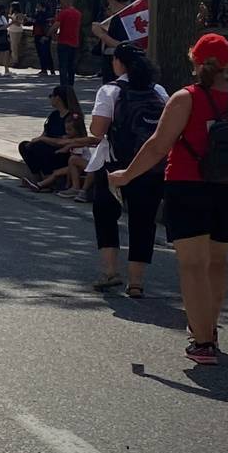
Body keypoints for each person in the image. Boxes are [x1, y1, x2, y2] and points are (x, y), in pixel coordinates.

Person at [109, 33, 228, 365]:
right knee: (217, 261)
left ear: (195, 61)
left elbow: (158, 146)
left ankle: (202, 342)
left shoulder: (185, 98)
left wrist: (127, 175)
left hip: (188, 186)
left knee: (193, 265)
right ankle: (208, 329)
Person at [81, 42, 168, 297]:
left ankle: (110, 272)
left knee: (106, 215)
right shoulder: (158, 91)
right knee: (144, 221)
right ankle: (136, 282)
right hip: (149, 165)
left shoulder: (110, 90)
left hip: (113, 164)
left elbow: (97, 131)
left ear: (119, 63)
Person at [18, 85, 87, 188]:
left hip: (65, 152)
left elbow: (66, 140)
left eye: (51, 96)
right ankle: (37, 178)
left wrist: (43, 139)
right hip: (51, 148)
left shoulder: (72, 118)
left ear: (58, 98)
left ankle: (47, 181)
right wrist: (36, 140)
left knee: (41, 147)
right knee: (26, 146)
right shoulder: (54, 115)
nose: (50, 98)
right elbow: (45, 133)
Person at [90, 0, 135, 84]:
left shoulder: (125, 17)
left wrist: (101, 34)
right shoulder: (115, 16)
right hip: (110, 63)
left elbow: (123, 45)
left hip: (118, 65)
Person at [53, 0, 82, 86]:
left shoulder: (63, 13)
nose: (60, 5)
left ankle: (63, 84)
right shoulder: (78, 13)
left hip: (63, 41)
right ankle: (70, 84)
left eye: (61, 3)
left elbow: (56, 26)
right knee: (71, 65)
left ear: (66, 2)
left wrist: (49, 33)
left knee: (63, 65)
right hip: (74, 42)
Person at [32, 6, 54, 76]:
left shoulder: (46, 15)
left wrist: (46, 36)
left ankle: (47, 69)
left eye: (39, 7)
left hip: (43, 35)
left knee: (45, 53)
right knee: (42, 53)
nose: (37, 8)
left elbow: (42, 23)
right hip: (38, 34)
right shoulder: (38, 14)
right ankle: (46, 69)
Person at [6, 4, 28, 70]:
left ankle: (15, 61)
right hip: (11, 31)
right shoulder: (13, 14)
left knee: (14, 46)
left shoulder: (19, 14)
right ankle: (13, 60)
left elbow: (19, 23)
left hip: (16, 31)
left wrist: (12, 19)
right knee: (12, 47)